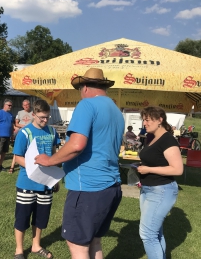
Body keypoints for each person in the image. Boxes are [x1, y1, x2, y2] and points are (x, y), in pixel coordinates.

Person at [35, 68, 124, 259]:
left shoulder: (86, 105)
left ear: (84, 87)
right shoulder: (116, 110)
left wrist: (49, 160)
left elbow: (76, 145)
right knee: (94, 242)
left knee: (77, 246)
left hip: (88, 188)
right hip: (111, 185)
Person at [12, 99, 60, 259]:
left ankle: (36, 245)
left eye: (47, 117)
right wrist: (34, 168)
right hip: (27, 182)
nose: (45, 121)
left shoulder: (52, 132)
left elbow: (54, 155)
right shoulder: (24, 133)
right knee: (22, 217)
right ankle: (19, 250)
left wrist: (55, 179)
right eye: (41, 117)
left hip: (46, 184)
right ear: (33, 114)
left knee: (41, 218)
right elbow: (17, 157)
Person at [137, 106, 183, 259]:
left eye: (148, 120)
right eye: (143, 119)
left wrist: (149, 170)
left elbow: (177, 169)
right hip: (148, 189)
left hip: (161, 190)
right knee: (155, 233)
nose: (144, 123)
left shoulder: (168, 140)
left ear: (160, 120)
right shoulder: (153, 138)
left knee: (148, 234)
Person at [9, 99, 33, 174]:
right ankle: (12, 166)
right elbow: (16, 124)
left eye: (27, 104)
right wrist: (24, 126)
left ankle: (29, 166)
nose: (26, 106)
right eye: (24, 105)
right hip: (21, 133)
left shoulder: (33, 113)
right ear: (22, 106)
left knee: (29, 150)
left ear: (30, 105)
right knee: (18, 150)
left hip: (30, 133)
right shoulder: (19, 113)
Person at [0, 99, 14, 175]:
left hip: (7, 136)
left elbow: (11, 125)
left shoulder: (10, 114)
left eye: (11, 105)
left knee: (4, 152)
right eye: (9, 105)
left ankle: (0, 165)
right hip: (0, 136)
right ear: (5, 105)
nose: (10, 107)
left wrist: (12, 134)